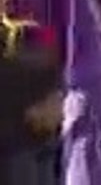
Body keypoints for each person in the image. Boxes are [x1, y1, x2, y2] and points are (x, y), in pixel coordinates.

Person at [0, 34, 63, 185]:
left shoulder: (48, 147)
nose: (62, 102)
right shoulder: (19, 167)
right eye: (53, 98)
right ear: (31, 110)